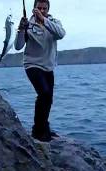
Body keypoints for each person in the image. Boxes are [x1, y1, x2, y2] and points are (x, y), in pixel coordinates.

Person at [15, 0, 66, 142]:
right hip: (32, 64)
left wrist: (43, 20)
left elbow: (61, 34)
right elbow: (18, 46)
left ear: (48, 9)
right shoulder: (28, 24)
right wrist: (21, 30)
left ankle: (44, 127)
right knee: (43, 94)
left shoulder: (54, 22)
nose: (42, 10)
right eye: (39, 8)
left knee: (48, 98)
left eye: (45, 8)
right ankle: (37, 131)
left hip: (48, 66)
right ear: (33, 8)